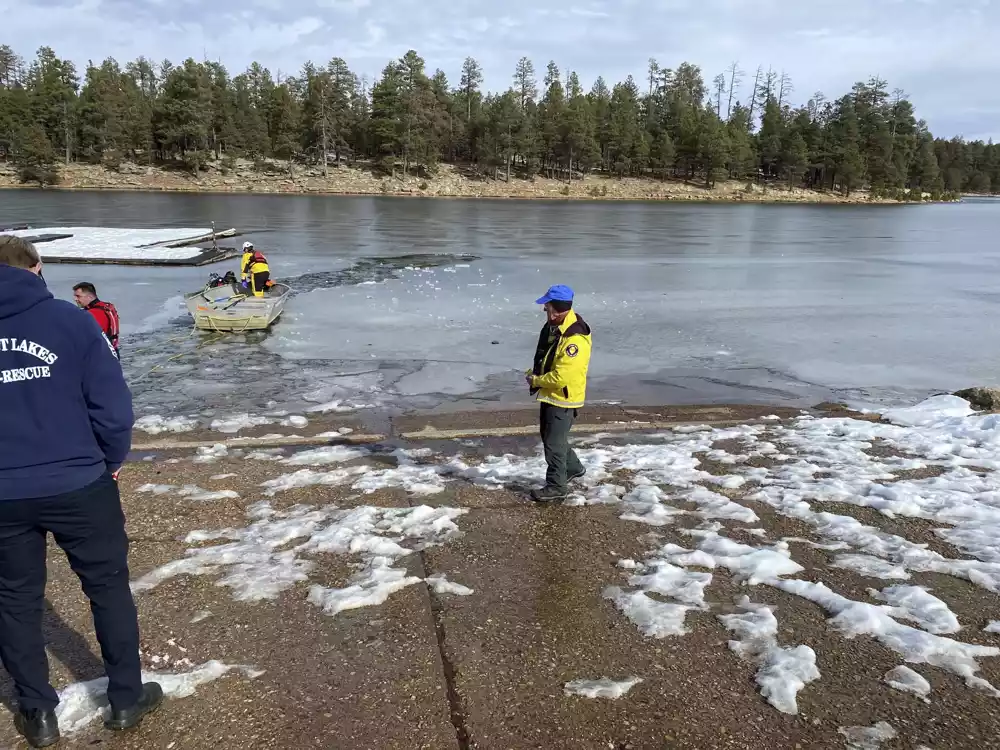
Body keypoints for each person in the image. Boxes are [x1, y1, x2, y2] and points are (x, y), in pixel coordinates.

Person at [0, 235, 162, 748]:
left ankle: (38, 711)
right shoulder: (72, 321)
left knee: (15, 599)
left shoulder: (70, 320)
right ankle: (124, 699)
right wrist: (110, 462)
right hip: (79, 483)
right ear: (38, 267)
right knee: (108, 588)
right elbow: (113, 411)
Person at [524, 284, 592, 503]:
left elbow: (562, 377)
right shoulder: (557, 326)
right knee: (552, 438)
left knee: (553, 443)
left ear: (557, 308)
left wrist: (536, 380)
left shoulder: (574, 338)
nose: (544, 309)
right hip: (552, 395)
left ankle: (556, 486)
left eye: (547, 305)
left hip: (563, 398)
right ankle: (573, 468)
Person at [72, 282, 120, 359]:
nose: (75, 299)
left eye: (78, 296)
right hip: (113, 352)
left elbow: (89, 338)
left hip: (102, 356)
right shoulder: (106, 307)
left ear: (90, 297)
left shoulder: (93, 314)